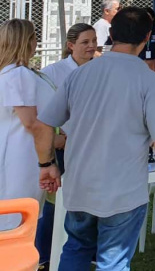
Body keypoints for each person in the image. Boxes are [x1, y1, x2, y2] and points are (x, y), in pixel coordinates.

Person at [33, 7, 155, 270]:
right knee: (112, 261)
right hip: (123, 193)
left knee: (76, 249)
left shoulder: (79, 74)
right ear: (147, 38)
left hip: (80, 185)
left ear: (111, 34)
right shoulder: (149, 82)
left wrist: (47, 165)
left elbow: (44, 124)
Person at [35, 23, 97, 264]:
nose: (92, 46)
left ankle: (90, 251)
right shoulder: (54, 72)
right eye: (85, 42)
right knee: (56, 202)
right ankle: (45, 255)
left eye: (94, 40)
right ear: (71, 46)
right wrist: (57, 139)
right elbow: (45, 113)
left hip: (92, 146)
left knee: (90, 201)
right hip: (64, 147)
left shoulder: (100, 69)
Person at [0, 19, 59, 231]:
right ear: (27, 41)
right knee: (18, 223)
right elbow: (33, 124)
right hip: (21, 159)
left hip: (18, 155)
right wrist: (47, 163)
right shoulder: (18, 74)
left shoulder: (10, 73)